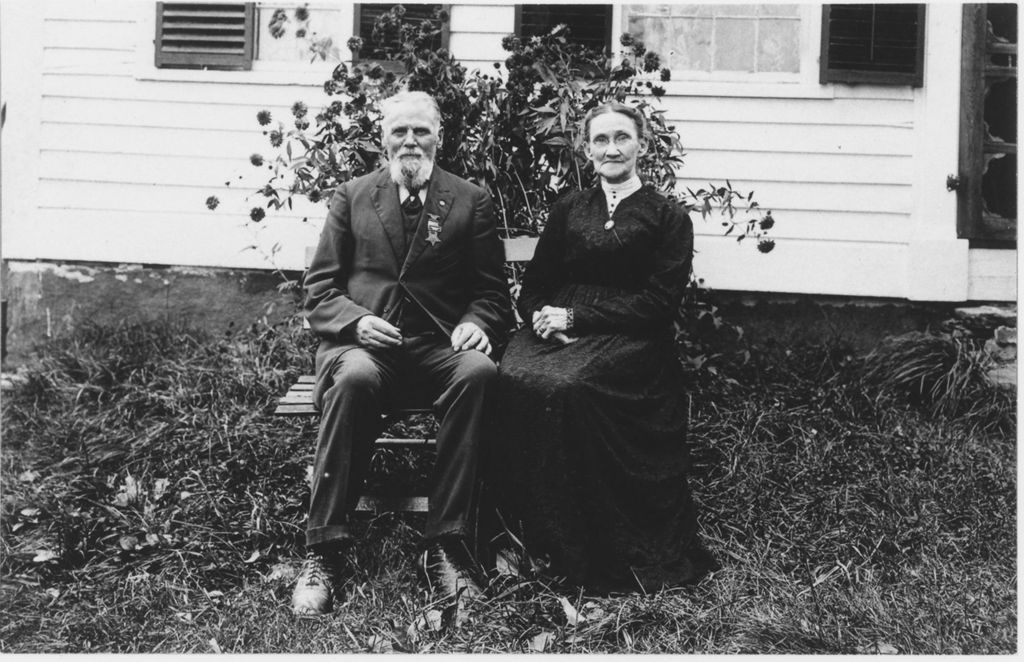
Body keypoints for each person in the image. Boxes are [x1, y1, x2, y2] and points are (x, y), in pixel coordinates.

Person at [294, 90, 513, 615]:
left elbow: (492, 294)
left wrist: (476, 323)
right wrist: (358, 321)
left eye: (421, 131)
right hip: (364, 350)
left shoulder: (470, 199)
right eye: (399, 131)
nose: (410, 141)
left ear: (440, 136)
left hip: (438, 350)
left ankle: (446, 545)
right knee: (354, 380)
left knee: (479, 372)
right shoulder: (351, 197)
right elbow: (319, 290)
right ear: (382, 137)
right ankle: (324, 550)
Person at [489, 102, 717, 593]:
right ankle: (522, 534)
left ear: (642, 145)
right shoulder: (570, 206)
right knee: (510, 376)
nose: (611, 149)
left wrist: (579, 317)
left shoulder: (667, 216)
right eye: (600, 140)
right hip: (557, 329)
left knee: (569, 386)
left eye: (622, 138)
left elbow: (658, 304)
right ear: (586, 149)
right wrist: (542, 318)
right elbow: (536, 285)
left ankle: (583, 540)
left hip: (631, 338)